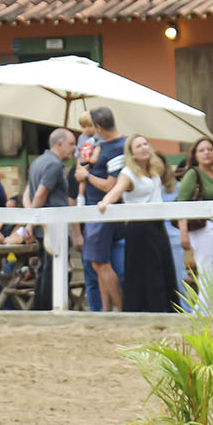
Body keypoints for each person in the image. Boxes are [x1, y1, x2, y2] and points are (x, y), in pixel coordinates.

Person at [97, 134, 179, 312]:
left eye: (145, 144)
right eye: (138, 146)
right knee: (146, 271)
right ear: (131, 153)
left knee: (162, 267)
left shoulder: (154, 169)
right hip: (140, 228)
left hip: (157, 226)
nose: (144, 148)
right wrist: (105, 202)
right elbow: (116, 191)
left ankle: (165, 309)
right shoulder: (128, 174)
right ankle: (147, 309)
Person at [75, 107, 126, 312]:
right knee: (100, 264)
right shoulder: (105, 145)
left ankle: (121, 309)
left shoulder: (116, 147)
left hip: (102, 211)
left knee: (99, 263)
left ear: (98, 127)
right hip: (98, 210)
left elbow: (110, 186)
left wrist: (85, 177)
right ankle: (106, 310)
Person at [25, 128, 76, 309]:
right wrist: (32, 220)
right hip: (53, 226)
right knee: (53, 271)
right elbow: (40, 194)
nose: (74, 148)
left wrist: (31, 218)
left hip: (41, 225)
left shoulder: (37, 162)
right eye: (71, 144)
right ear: (59, 144)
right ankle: (48, 307)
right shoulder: (54, 165)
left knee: (44, 269)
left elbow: (27, 194)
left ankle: (40, 307)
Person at [176, 136, 213, 291]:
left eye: (209, 149)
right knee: (208, 275)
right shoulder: (193, 174)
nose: (206, 153)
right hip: (205, 228)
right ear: (195, 155)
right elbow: (181, 203)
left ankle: (208, 313)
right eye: (201, 150)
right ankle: (202, 314)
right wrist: (183, 233)